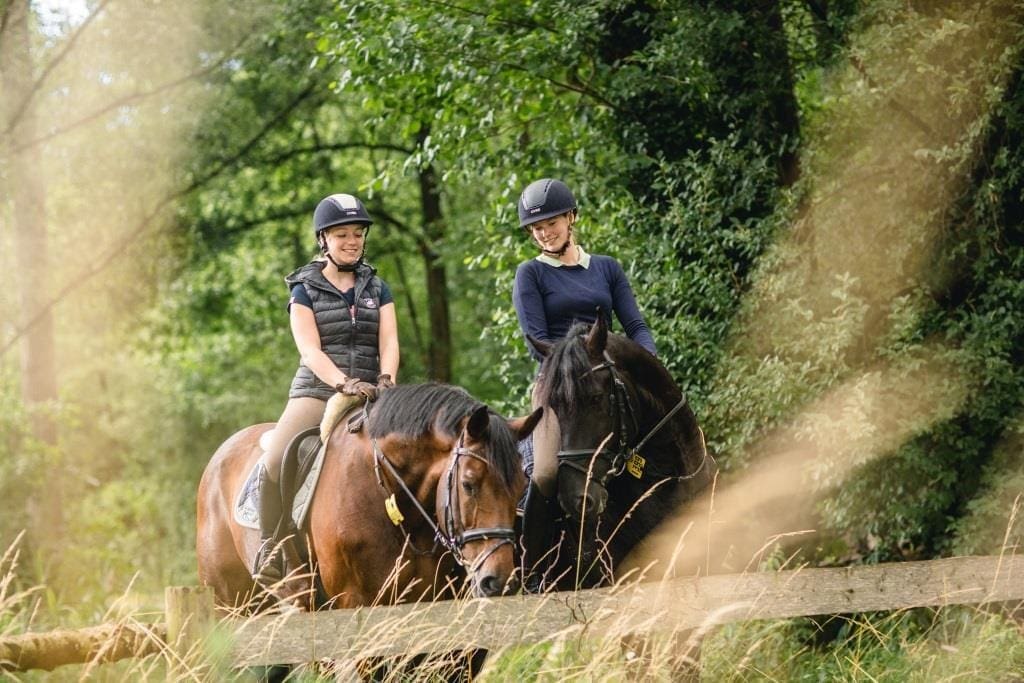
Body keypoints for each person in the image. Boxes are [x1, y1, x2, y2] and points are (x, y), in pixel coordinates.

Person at [252, 192, 400, 584]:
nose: (351, 242)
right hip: (318, 391)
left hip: (373, 390)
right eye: (341, 235)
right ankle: (272, 546)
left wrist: (386, 378)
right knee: (276, 456)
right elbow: (309, 349)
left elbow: (389, 342)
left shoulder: (377, 286)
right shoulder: (303, 289)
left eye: (357, 234)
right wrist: (342, 382)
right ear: (324, 240)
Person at [512, 177, 656, 500]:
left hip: (611, 382)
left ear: (571, 218)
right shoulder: (530, 274)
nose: (545, 233)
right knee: (546, 473)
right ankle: (532, 548)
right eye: (536, 228)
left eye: (551, 223)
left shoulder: (606, 268)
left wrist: (649, 368)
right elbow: (538, 341)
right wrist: (578, 373)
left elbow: (636, 326)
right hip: (561, 387)